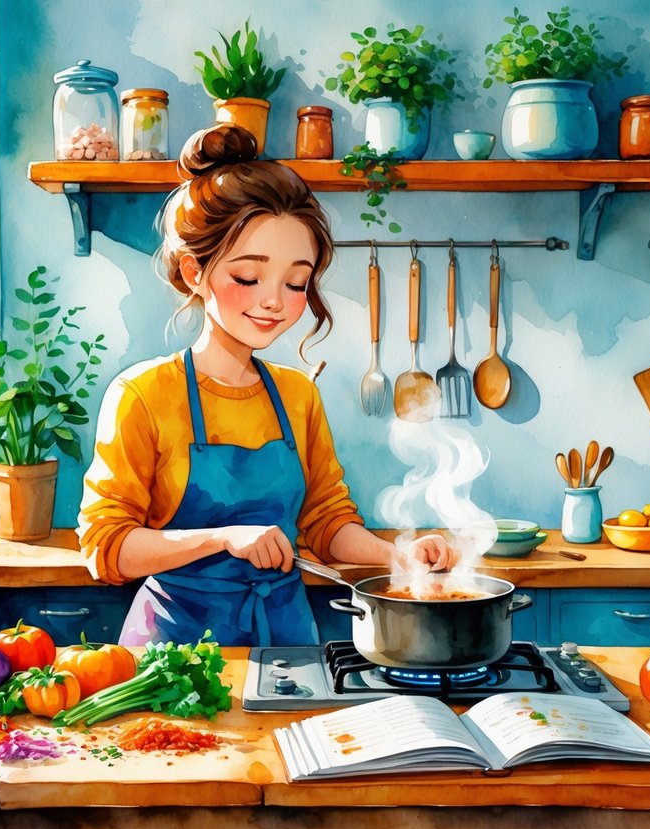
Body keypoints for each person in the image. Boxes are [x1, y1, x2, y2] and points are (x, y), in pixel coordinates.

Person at [79, 124, 456, 647]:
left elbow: (326, 522)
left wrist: (400, 556)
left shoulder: (297, 395)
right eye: (249, 278)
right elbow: (106, 548)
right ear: (194, 272)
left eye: (296, 282)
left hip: (285, 640)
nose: (275, 300)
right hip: (174, 652)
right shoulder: (143, 394)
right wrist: (223, 538)